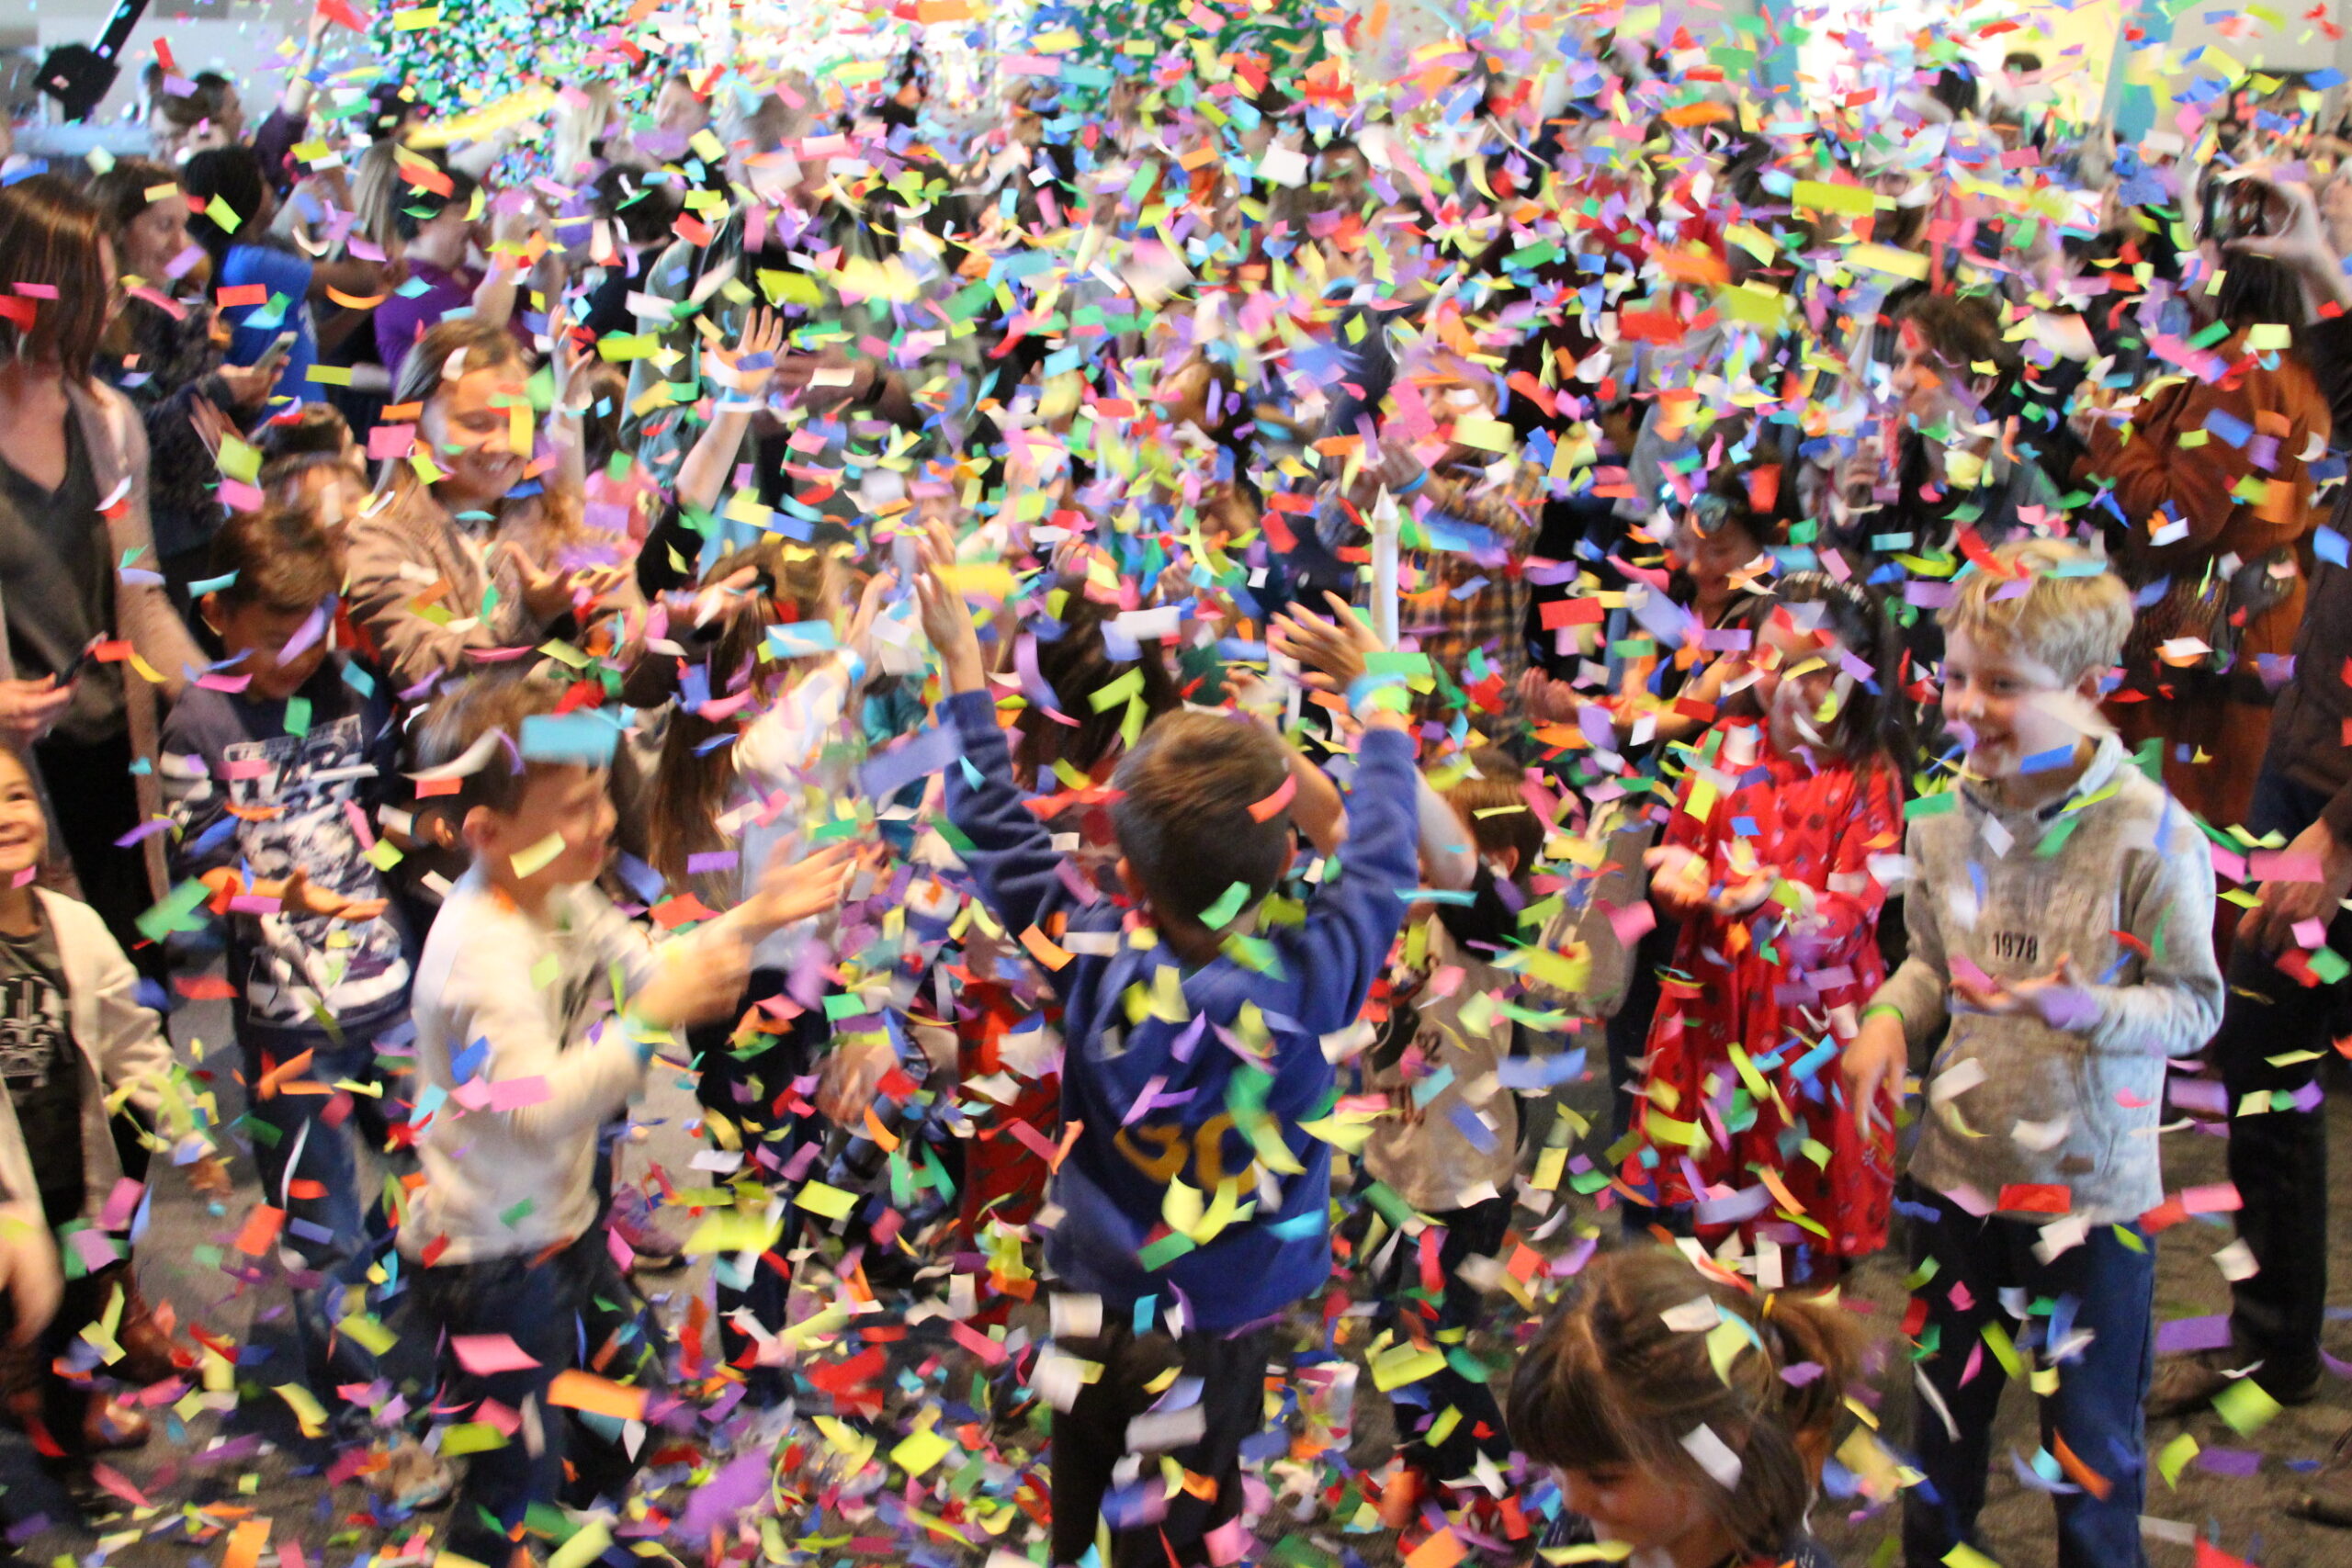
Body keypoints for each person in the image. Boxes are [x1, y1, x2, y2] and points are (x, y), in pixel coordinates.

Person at [913, 523, 1420, 1568]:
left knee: (1085, 1464)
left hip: (1091, 1292)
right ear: (1286, 854)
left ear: (1128, 876)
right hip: (1224, 1314)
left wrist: (965, 671)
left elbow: (995, 830)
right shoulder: (1314, 979)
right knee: (1190, 1494)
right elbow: (1382, 853)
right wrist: (1382, 710)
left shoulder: (1092, 956)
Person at [399, 671, 861, 1562]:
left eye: (599, 798)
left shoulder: (560, 893)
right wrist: (655, 1019)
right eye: (574, 809)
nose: (605, 823)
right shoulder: (480, 957)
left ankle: (583, 1522)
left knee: (621, 1412)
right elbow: (541, 1105)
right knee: (510, 1485)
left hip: (561, 1232)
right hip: (489, 1261)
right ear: (489, 835)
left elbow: (646, 963)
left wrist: (755, 918)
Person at [1841, 538, 2223, 1568]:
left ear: (2090, 691)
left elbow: (2192, 1007)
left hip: (2089, 1205)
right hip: (1955, 1189)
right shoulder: (1939, 815)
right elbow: (1928, 963)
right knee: (1941, 1444)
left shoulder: (2151, 834)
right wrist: (1887, 1017)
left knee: (2089, 1459)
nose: (1965, 705)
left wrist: (2086, 1007)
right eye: (1957, 676)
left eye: (2003, 685)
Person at [2135, 177, 2352, 1456]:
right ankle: (2274, 1336)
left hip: (2330, 808)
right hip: (2301, 770)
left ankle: (2278, 1341)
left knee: (2277, 1053)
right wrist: (2320, 253)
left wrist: (2337, 832)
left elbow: (2185, 505)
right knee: (2262, 1065)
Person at [157, 507, 419, 1445]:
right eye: (278, 638)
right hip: (284, 1014)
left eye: (316, 630)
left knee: (418, 1184)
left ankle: (411, 1357)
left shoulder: (352, 691)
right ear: (220, 616)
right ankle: (356, 1412)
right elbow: (201, 874)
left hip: (388, 989)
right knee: (322, 1223)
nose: (302, 653)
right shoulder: (198, 722)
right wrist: (280, 897)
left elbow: (387, 807)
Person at [1620, 574, 1908, 1281]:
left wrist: (1764, 896)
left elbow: (1850, 911)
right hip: (1716, 1008)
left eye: (1813, 671)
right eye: (1769, 660)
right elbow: (1683, 844)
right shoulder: (1726, 741)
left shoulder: (1868, 775)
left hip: (1807, 1026)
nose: (1784, 686)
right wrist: (1677, 879)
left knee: (1801, 1230)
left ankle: (1803, 1361)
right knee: (1719, 1215)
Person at [0, 175, 208, 972]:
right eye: (80, 286)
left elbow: (141, 593)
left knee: (133, 981)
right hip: (16, 770)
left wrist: (220, 698)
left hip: (115, 746)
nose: (101, 306)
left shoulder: (107, 420)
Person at [0, 740, 203, 1498]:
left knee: (77, 1328)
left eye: (18, 796)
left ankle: (70, 1448)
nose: (7, 814)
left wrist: (183, 1129)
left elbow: (129, 1042)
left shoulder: (75, 926)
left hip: (78, 1182)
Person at [2085, 228, 2330, 837]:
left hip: (2210, 649)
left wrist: (2114, 441)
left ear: (2234, 268)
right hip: (2251, 629)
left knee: (2184, 838)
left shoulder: (2243, 363)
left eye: (2201, 253)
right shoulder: (2295, 356)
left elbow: (2181, 519)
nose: (2185, 271)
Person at [1505, 1246, 1860, 1568]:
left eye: (1604, 1477)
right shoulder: (1578, 1533)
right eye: (1556, 1468)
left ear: (1719, 1445)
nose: (1570, 1501)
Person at [344, 318, 600, 693]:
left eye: (515, 421)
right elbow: (420, 667)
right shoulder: (378, 537)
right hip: (467, 749)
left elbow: (622, 662)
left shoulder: (546, 513)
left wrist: (675, 628)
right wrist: (527, 616)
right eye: (476, 424)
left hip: (571, 745)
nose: (500, 443)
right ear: (416, 426)